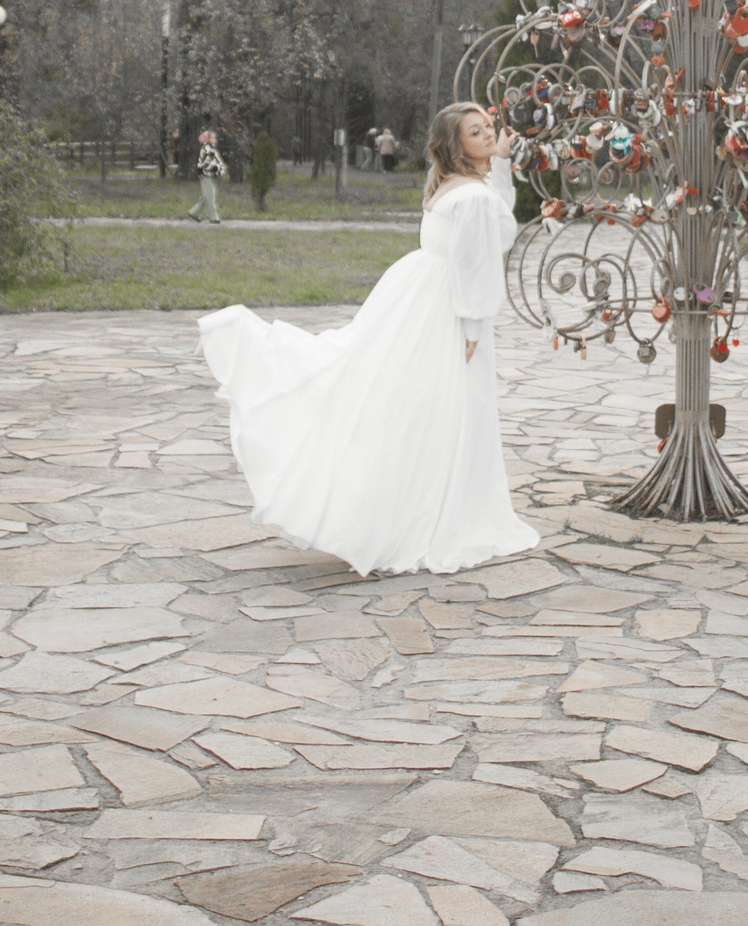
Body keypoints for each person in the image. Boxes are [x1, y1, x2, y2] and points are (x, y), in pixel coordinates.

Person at [198, 103, 540, 575]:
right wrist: (474, 326)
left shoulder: (453, 188)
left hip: (418, 296)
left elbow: (490, 230)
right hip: (447, 311)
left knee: (404, 402)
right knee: (448, 408)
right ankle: (427, 514)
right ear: (455, 144)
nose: (486, 136)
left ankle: (395, 504)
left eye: (488, 129)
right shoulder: (474, 197)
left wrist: (499, 163)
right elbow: (478, 261)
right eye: (475, 132)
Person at [187, 130, 226, 223]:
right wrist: (215, 168)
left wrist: (217, 169)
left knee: (207, 195)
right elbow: (207, 163)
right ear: (207, 139)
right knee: (210, 196)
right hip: (205, 175)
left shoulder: (210, 149)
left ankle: (194, 212)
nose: (214, 140)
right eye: (212, 138)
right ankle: (213, 217)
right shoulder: (207, 150)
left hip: (208, 174)